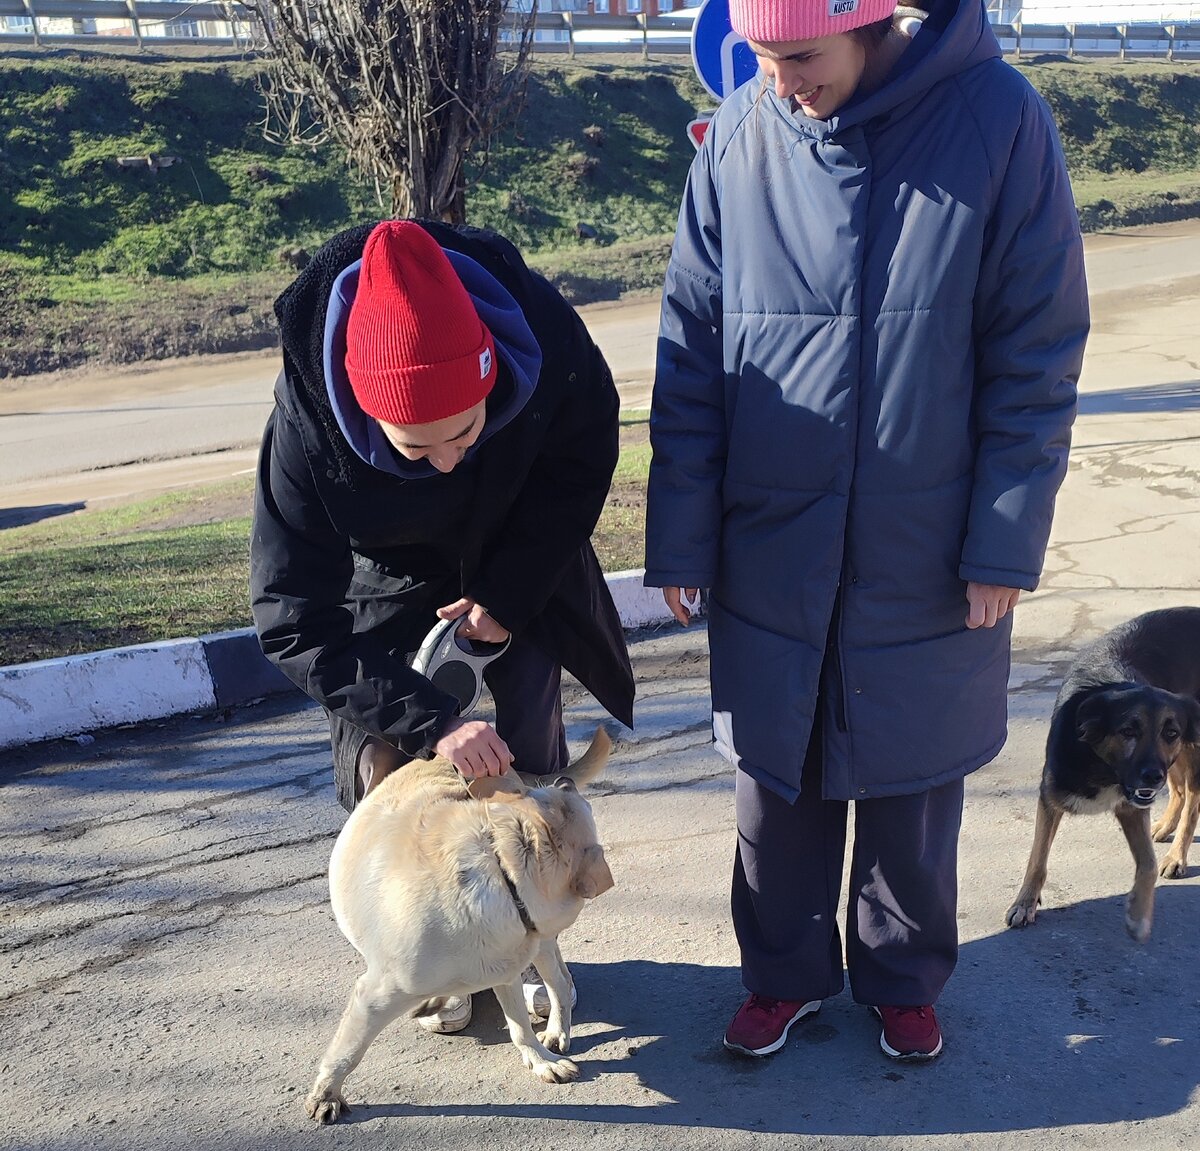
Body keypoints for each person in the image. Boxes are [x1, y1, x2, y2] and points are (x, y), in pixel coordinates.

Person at [644, 0, 1088, 1061]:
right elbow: (691, 350)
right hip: (771, 534)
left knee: (911, 777)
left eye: (801, 58)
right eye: (762, 60)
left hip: (930, 538)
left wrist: (1001, 541)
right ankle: (783, 975)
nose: (781, 83)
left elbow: (1036, 352)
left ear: (874, 23)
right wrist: (683, 531)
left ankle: (901, 977)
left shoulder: (998, 120)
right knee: (776, 774)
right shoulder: (741, 138)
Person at [251, 219, 635, 1034]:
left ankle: (533, 944)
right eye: (416, 447)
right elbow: (290, 618)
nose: (450, 459)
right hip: (387, 581)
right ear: (362, 411)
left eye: (466, 430)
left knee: (527, 747)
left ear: (495, 371)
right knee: (391, 768)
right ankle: (433, 952)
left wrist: (512, 589)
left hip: (519, 554)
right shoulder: (304, 432)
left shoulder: (544, 335)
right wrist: (434, 721)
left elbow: (584, 452)